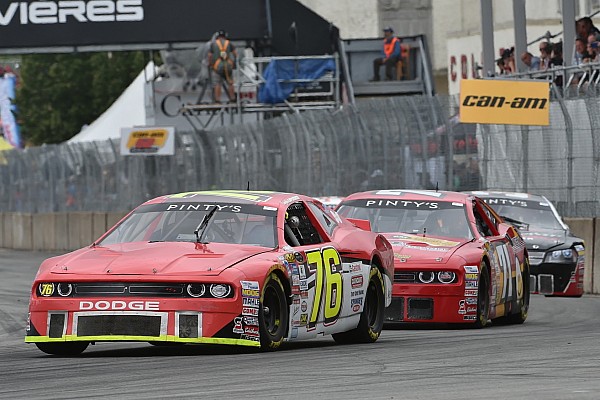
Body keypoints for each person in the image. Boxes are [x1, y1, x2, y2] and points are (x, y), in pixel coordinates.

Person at [208, 30, 238, 103]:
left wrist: (211, 64)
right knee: (230, 83)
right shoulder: (229, 43)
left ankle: (218, 100)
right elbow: (235, 54)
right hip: (228, 66)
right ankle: (232, 99)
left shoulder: (213, 44)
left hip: (217, 67)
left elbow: (210, 56)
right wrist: (234, 64)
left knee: (217, 83)